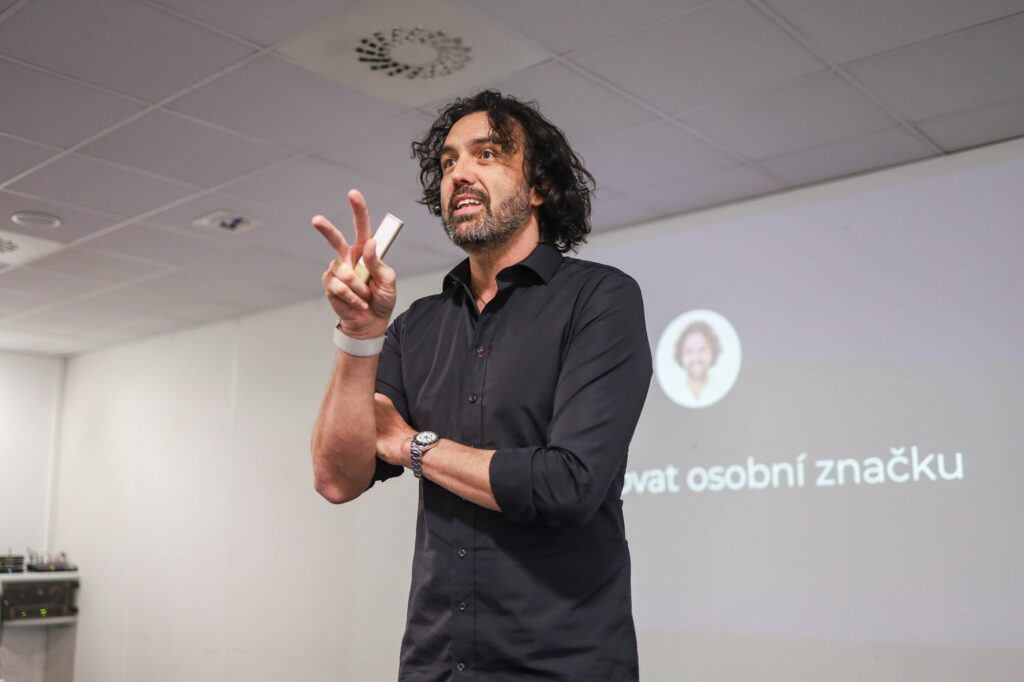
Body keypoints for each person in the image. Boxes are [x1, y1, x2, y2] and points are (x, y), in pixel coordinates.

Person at [309, 90, 652, 681]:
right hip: (437, 665)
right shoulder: (414, 326)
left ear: (539, 186)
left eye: (486, 154)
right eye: (448, 163)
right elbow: (337, 478)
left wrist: (412, 446)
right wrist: (360, 333)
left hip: (562, 668)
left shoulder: (600, 299)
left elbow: (568, 484)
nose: (459, 173)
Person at [676, 320, 721, 402]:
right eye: (689, 351)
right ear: (680, 355)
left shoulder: (721, 388)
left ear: (713, 352)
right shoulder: (675, 391)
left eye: (702, 350)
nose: (696, 358)